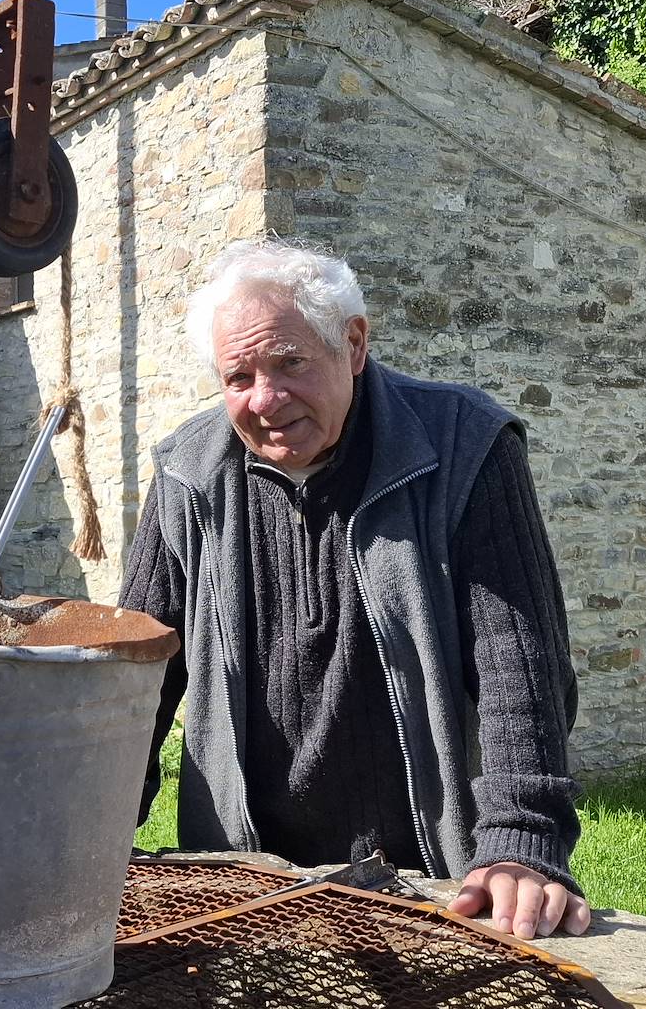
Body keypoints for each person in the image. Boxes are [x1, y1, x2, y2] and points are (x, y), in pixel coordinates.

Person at [120, 236, 590, 940]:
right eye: (237, 377)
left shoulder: (465, 443)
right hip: (245, 874)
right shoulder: (188, 473)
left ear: (354, 344)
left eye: (289, 363)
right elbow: (134, 678)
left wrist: (522, 840)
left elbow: (516, 659)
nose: (265, 400)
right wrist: (91, 829)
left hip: (426, 867)